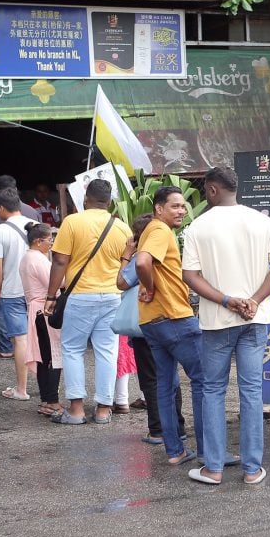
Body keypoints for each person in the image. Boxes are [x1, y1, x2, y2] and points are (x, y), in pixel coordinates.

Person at [183, 167, 270, 485]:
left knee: (214, 390)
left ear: (213, 190)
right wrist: (254, 299)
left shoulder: (198, 227)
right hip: (254, 319)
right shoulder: (261, 221)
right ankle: (252, 469)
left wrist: (228, 300)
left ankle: (214, 468)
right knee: (252, 391)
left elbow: (190, 276)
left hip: (217, 321)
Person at [42, 179, 132, 424]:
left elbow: (60, 261)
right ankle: (103, 410)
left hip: (80, 295)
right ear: (110, 201)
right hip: (113, 296)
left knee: (72, 350)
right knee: (107, 351)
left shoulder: (72, 222)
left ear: (84, 199)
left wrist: (51, 296)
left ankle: (77, 409)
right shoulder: (122, 227)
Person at [130, 187, 207, 465]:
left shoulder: (151, 231)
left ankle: (175, 452)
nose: (181, 211)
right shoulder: (160, 230)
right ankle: (210, 450)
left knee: (165, 384)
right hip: (174, 317)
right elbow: (142, 263)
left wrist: (148, 288)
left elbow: (135, 267)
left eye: (183, 206)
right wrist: (150, 288)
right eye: (174, 206)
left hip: (152, 321)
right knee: (204, 380)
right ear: (159, 208)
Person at [120, 214, 187, 445]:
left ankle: (158, 430)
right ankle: (178, 426)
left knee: (151, 378)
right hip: (171, 318)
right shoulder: (169, 252)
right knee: (171, 376)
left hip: (147, 324)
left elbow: (121, 282)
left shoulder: (142, 257)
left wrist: (127, 255)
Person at [0, 175, 41, 360]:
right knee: (31, 309)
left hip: (5, 271)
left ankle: (6, 347)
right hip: (31, 274)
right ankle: (33, 346)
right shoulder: (33, 212)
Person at [0, 188, 37, 401]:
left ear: (1, 208)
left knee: (20, 341)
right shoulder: (34, 225)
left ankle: (21, 389)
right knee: (42, 339)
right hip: (36, 290)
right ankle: (48, 389)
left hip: (12, 292)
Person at [20, 222, 63, 417]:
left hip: (36, 311)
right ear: (38, 241)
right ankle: (52, 401)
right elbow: (56, 282)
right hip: (45, 310)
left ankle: (46, 399)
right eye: (49, 240)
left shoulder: (28, 257)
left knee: (44, 357)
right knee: (53, 356)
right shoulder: (38, 259)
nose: (51, 243)